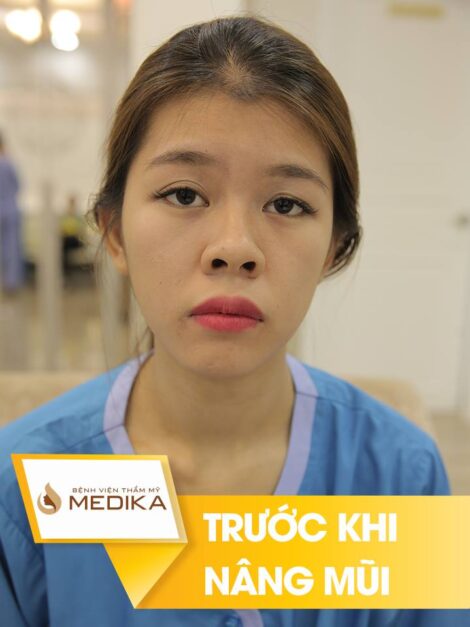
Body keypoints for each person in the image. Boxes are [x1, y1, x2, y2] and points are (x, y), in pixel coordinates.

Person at [0, 16, 468, 627]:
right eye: (184, 194)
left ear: (334, 247)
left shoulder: (398, 475)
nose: (234, 248)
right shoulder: (33, 481)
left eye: (286, 204)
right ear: (113, 231)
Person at [0, 131, 24, 293]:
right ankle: (12, 283)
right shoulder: (8, 163)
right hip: (10, 209)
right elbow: (18, 186)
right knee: (12, 247)